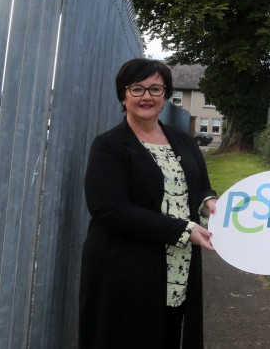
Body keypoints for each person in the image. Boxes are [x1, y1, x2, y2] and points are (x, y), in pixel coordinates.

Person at [79, 58, 218, 349]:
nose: (147, 97)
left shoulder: (183, 141)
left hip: (176, 266)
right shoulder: (109, 145)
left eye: (155, 89)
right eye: (137, 89)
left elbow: (201, 184)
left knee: (167, 335)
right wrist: (182, 230)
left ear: (166, 95)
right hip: (127, 268)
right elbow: (109, 209)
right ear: (123, 94)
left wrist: (208, 201)